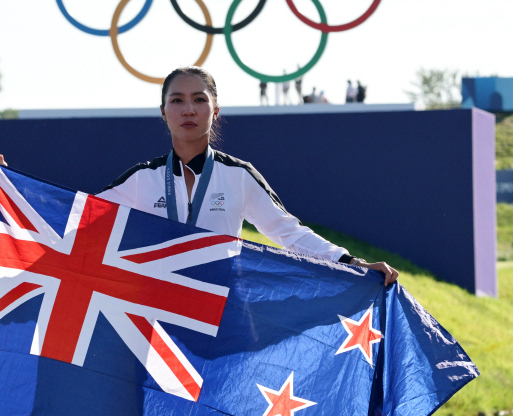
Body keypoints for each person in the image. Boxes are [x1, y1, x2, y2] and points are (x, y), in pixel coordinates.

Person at [96, 66, 398, 284]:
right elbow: (74, 219)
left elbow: (290, 234)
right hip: (150, 319)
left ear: (215, 110)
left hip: (217, 318)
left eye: (199, 99)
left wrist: (352, 263)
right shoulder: (140, 179)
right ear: (163, 111)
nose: (188, 109)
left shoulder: (239, 176)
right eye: (177, 100)